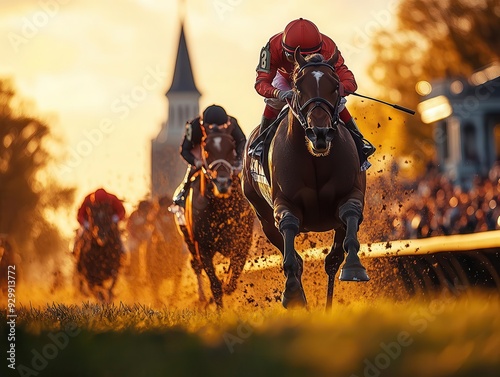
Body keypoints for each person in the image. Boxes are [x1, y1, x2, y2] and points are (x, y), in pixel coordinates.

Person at [254, 18, 375, 169]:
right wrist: (277, 93)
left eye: (309, 56)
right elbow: (261, 83)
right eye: (295, 58)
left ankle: (359, 142)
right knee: (274, 101)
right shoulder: (271, 48)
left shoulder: (329, 47)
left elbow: (348, 78)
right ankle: (261, 142)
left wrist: (341, 88)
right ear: (284, 50)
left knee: (337, 102)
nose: (301, 62)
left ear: (320, 50)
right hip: (284, 78)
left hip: (315, 81)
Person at [172, 104, 247, 207]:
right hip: (202, 155)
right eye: (211, 127)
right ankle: (183, 194)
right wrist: (195, 161)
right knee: (191, 173)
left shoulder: (232, 123)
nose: (216, 129)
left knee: (242, 177)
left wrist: (238, 159)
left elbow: (242, 141)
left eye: (221, 127)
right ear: (203, 125)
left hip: (227, 156)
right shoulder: (192, 127)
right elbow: (185, 150)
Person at [73, 188, 126, 258]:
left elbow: (122, 211)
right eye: (98, 203)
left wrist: (115, 218)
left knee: (118, 235)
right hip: (91, 224)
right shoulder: (88, 199)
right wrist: (86, 223)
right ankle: (74, 249)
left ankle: (122, 251)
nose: (100, 204)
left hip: (109, 223)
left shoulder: (112, 199)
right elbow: (80, 215)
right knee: (81, 234)